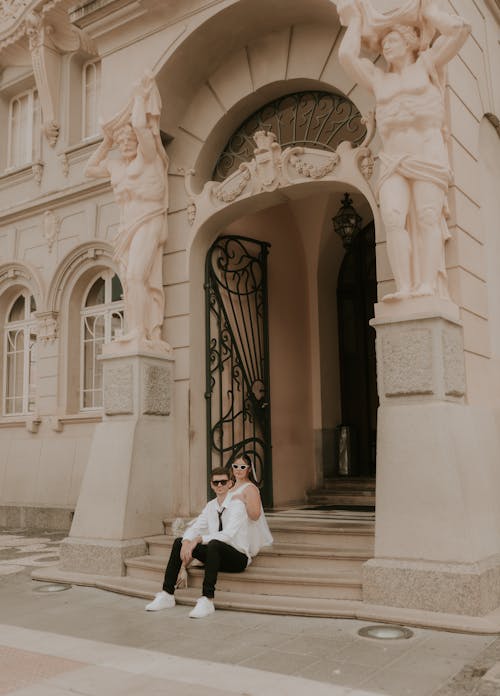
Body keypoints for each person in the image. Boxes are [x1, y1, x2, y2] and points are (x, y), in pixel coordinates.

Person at [336, 0, 470, 300]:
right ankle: (406, 287)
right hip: (393, 159)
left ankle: (426, 286)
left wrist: (432, 14)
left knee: (425, 216)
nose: (386, 46)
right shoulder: (378, 78)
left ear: (409, 41)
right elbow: (346, 56)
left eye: (393, 40)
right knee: (394, 218)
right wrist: (355, 20)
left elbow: (461, 29)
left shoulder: (427, 64)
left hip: (426, 154)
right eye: (384, 43)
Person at [85, 72, 169, 350]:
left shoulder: (148, 156)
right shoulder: (116, 166)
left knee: (136, 276)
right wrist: (106, 142)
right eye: (122, 142)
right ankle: (136, 329)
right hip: (127, 228)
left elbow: (141, 127)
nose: (126, 143)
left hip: (148, 221)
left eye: (128, 138)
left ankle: (140, 332)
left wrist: (137, 98)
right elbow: (88, 169)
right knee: (131, 281)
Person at [145, 467, 252, 619]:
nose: (219, 485)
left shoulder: (237, 505)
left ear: (230, 483)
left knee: (214, 543)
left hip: (237, 558)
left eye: (223, 482)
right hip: (216, 557)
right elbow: (196, 527)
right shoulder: (210, 506)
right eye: (216, 482)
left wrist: (199, 539)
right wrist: (188, 540)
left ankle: (207, 600)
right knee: (179, 542)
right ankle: (167, 594)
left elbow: (227, 535)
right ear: (211, 485)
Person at [227, 454, 273, 557]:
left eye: (243, 467)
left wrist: (244, 501)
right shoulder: (230, 487)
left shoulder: (250, 488)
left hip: (243, 532)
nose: (238, 469)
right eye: (236, 466)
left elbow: (255, 515)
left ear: (249, 469)